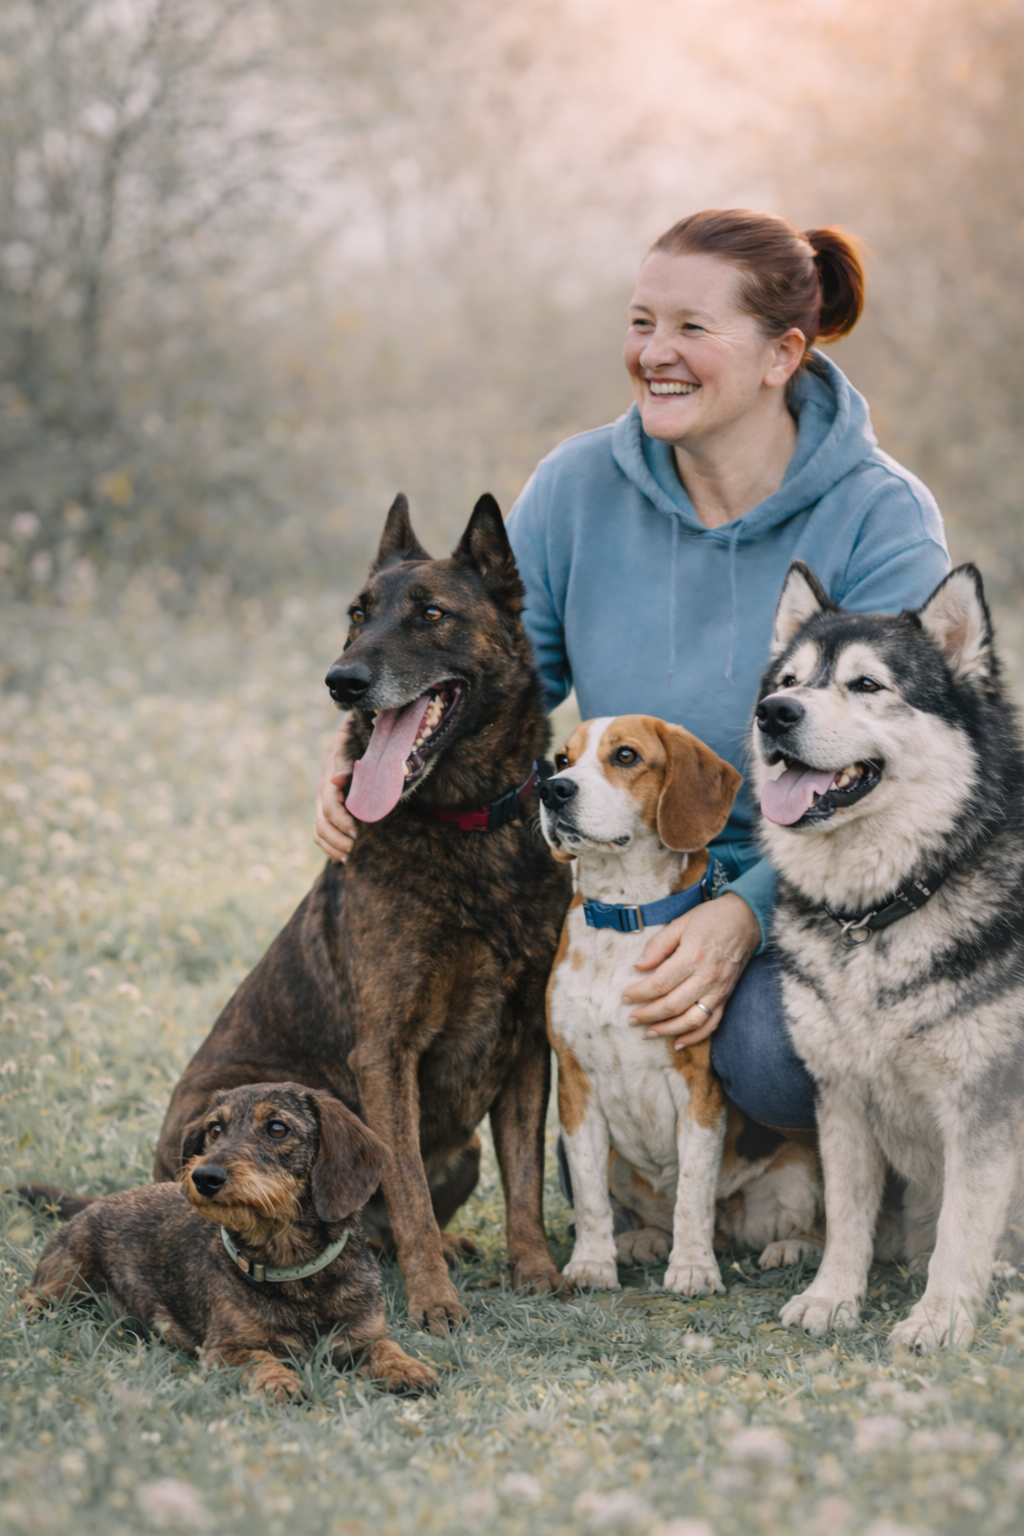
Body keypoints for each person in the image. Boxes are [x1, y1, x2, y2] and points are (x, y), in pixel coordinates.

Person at [314, 209, 949, 1134]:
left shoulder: (879, 516)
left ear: (781, 356)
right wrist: (365, 749)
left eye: (693, 328)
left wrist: (744, 916)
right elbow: (479, 671)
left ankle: (884, 1161)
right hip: (634, 860)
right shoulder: (576, 486)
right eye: (642, 320)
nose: (657, 351)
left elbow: (905, 771)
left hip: (827, 886)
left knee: (770, 1060)